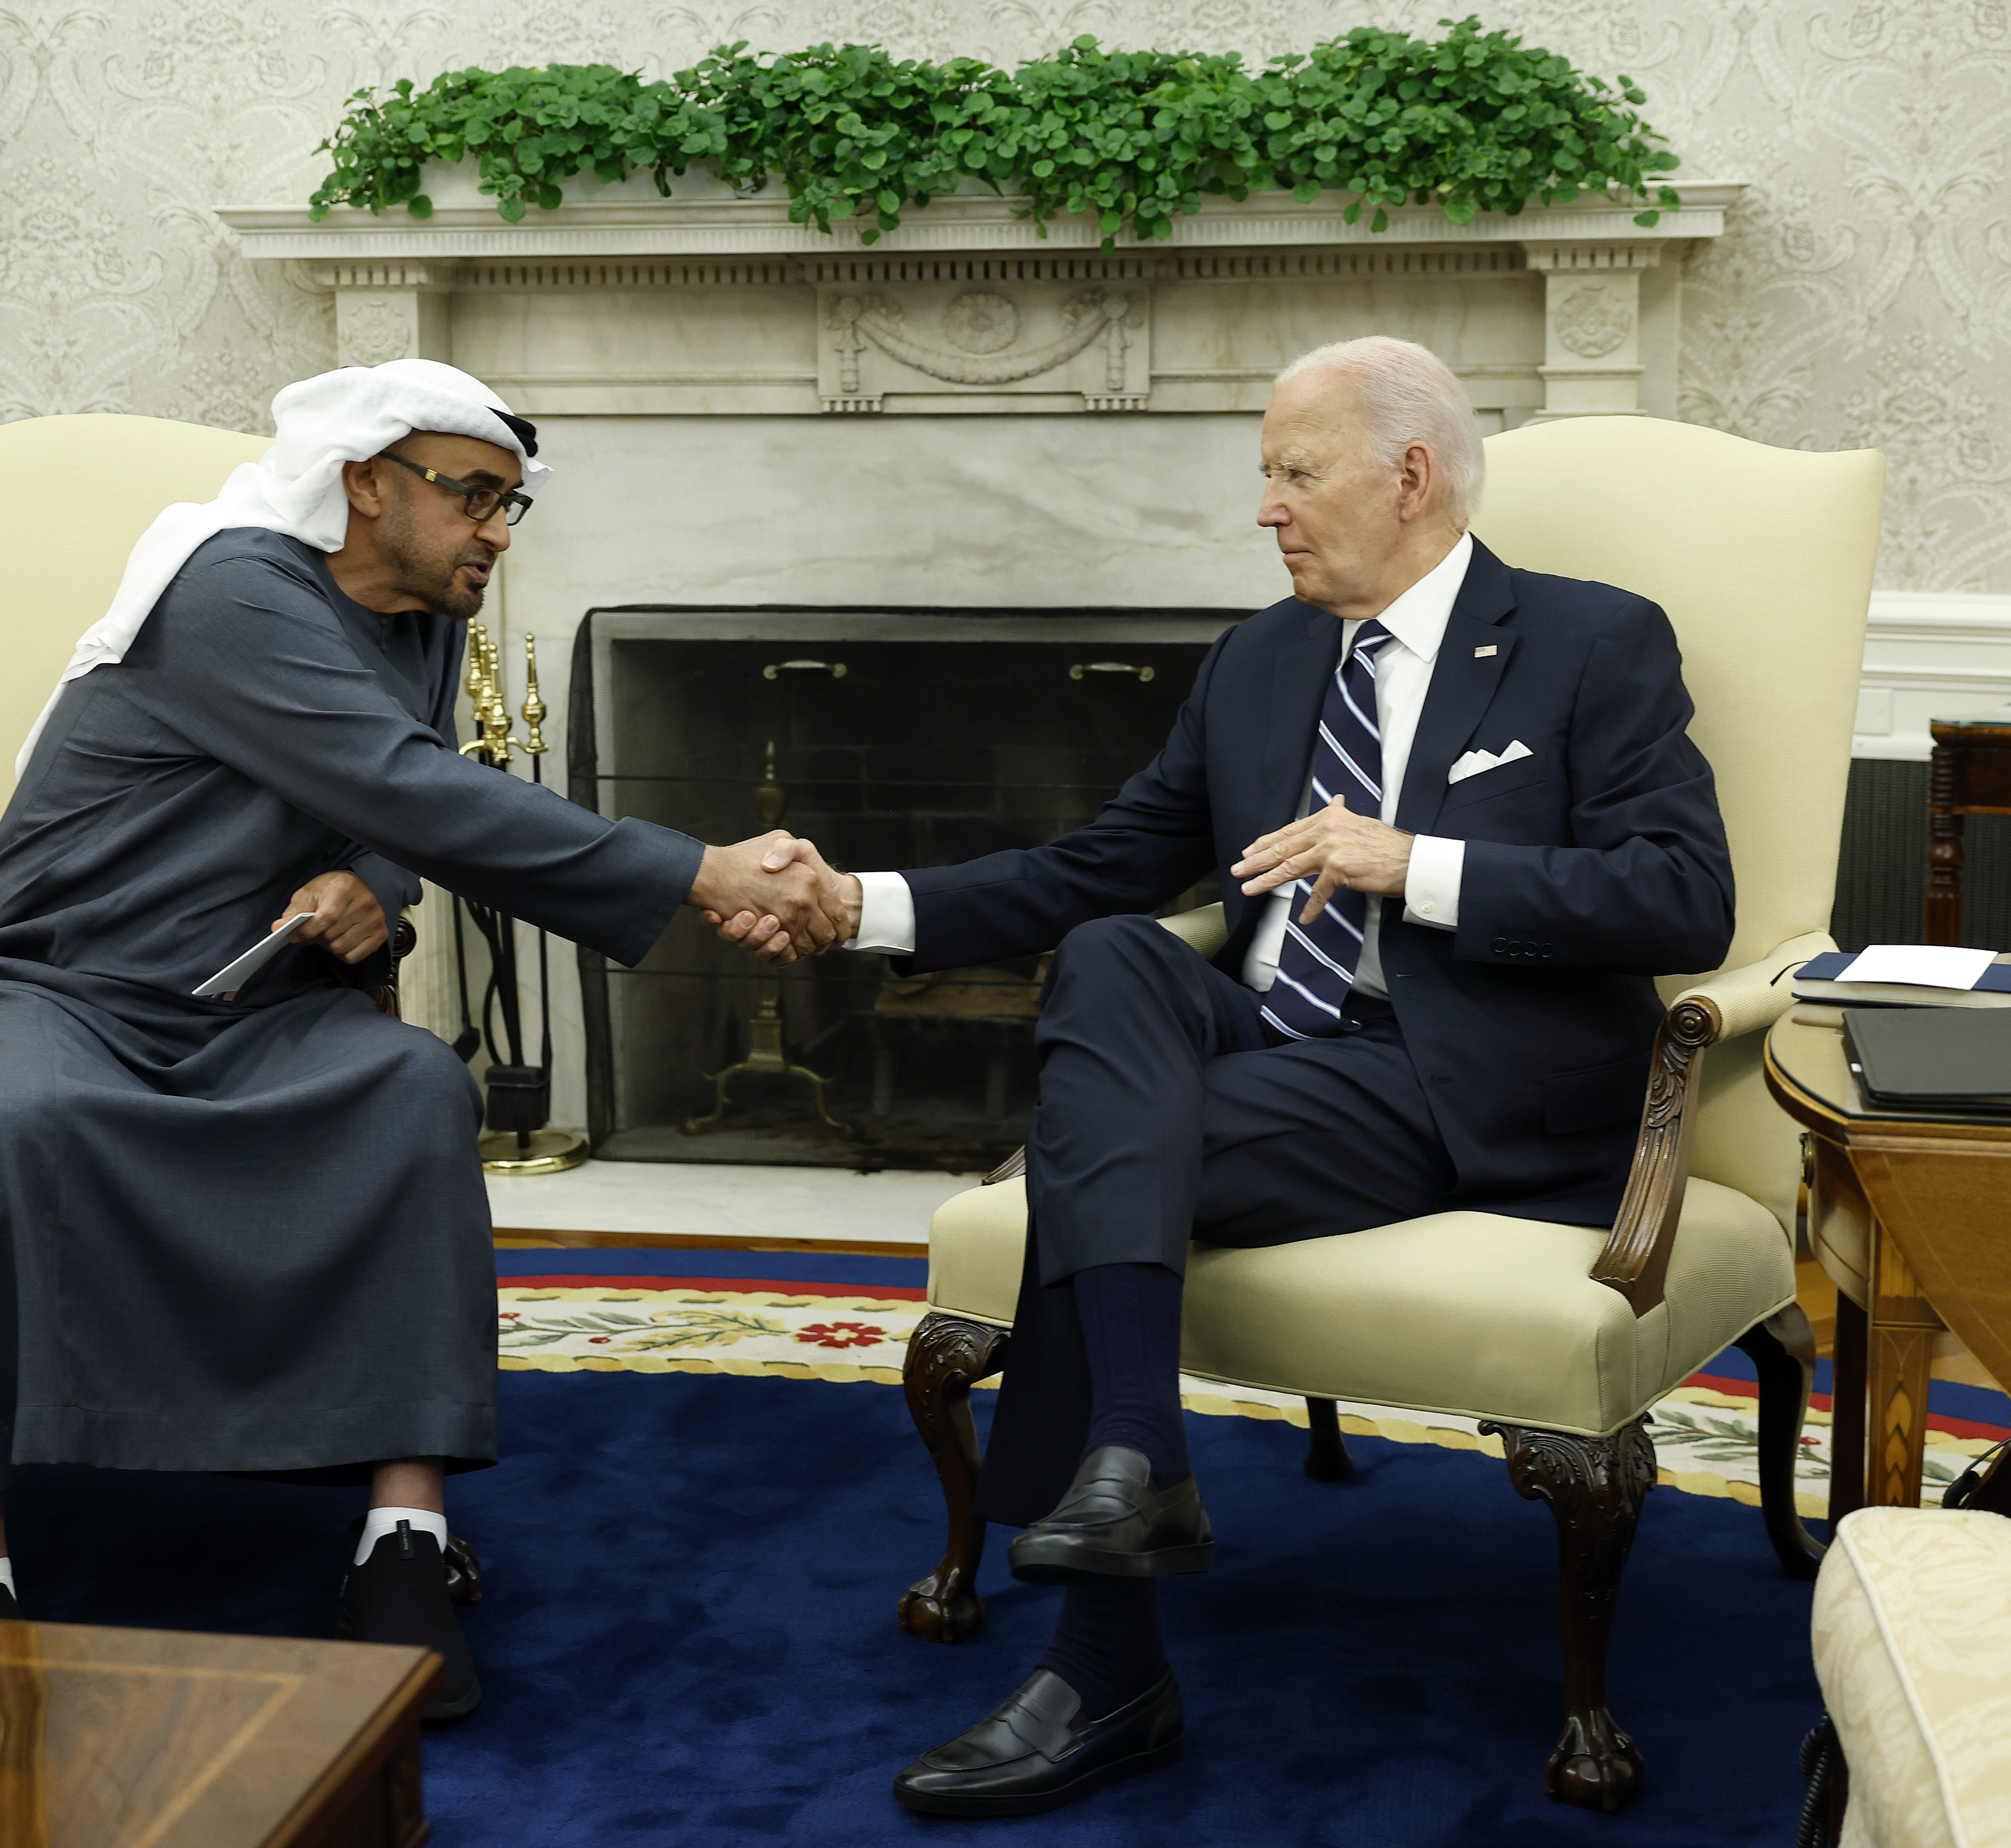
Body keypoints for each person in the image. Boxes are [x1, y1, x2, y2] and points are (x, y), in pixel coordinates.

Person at [710, 336, 1733, 1813]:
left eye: (1293, 471)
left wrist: (1415, 863)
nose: (1266, 507)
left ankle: (1105, 1660)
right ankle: (1138, 1457)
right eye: (1265, 474)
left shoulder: (1591, 641)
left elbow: (1685, 896)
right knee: (1125, 950)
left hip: (1463, 1083)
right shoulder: (1261, 658)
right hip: (1275, 1057)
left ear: (1411, 474)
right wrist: (856, 903)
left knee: (1091, 1151)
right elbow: (1099, 865)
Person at [0, 360, 847, 1719]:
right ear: (366, 483)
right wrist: (710, 875)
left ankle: (402, 1541)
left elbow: (394, 809)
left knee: (407, 1085)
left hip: (243, 1003)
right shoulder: (234, 588)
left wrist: (370, 886)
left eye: (514, 505)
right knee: (23, 1127)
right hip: (45, 991)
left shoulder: (423, 615)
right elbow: (404, 781)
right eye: (475, 498)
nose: (499, 532)